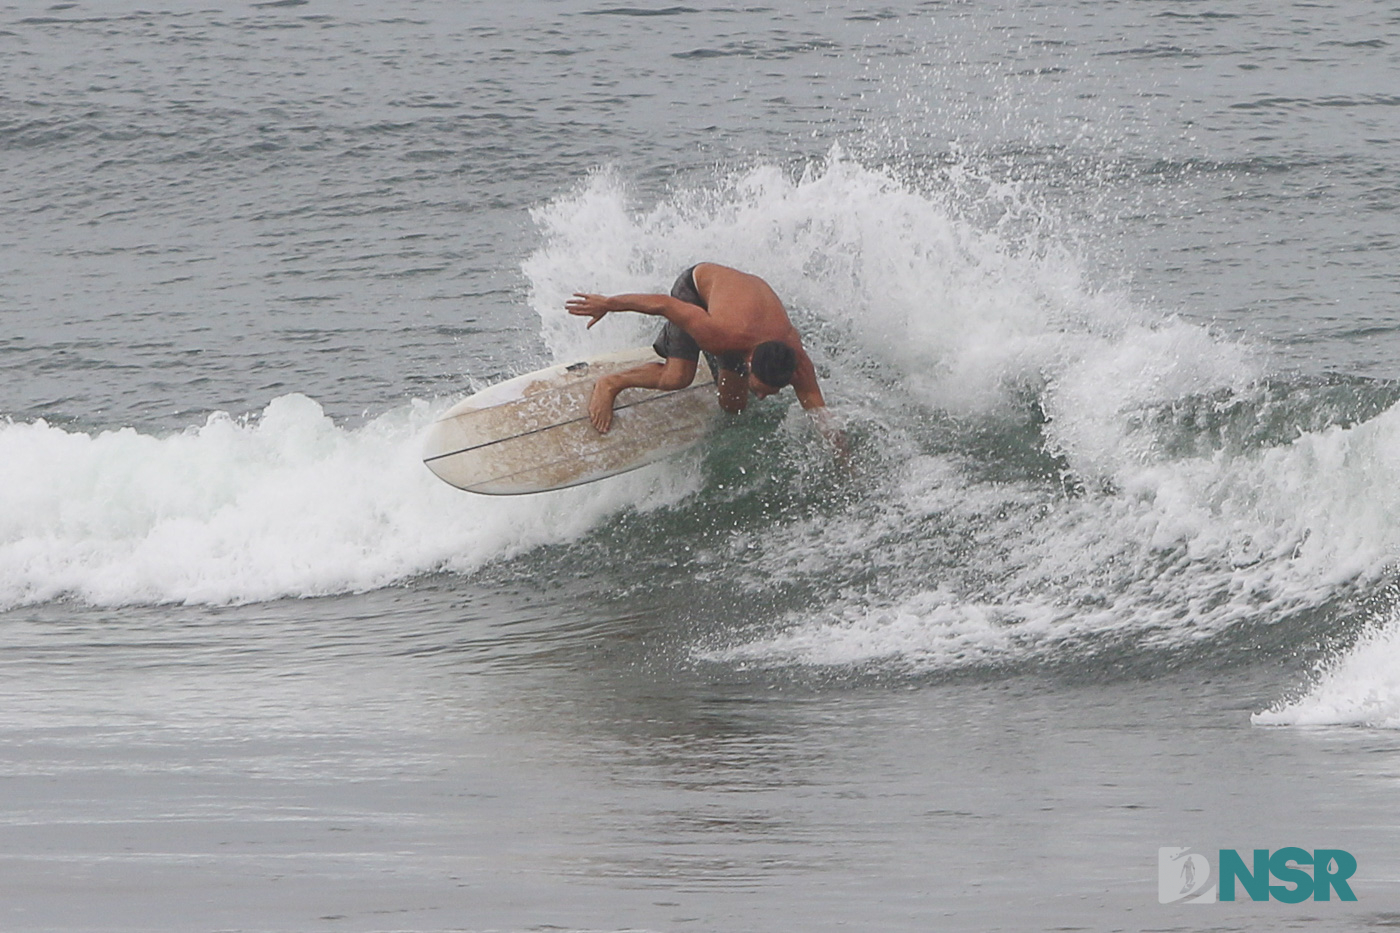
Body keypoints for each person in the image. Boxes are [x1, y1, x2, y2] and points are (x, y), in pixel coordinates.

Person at [565, 263, 845, 453]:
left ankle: (710, 365)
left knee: (734, 405)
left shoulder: (796, 361)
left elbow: (821, 416)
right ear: (749, 363)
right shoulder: (721, 335)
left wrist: (845, 460)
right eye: (760, 389)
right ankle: (611, 384)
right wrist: (608, 304)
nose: (760, 398)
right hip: (697, 291)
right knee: (677, 377)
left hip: (738, 310)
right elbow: (664, 304)